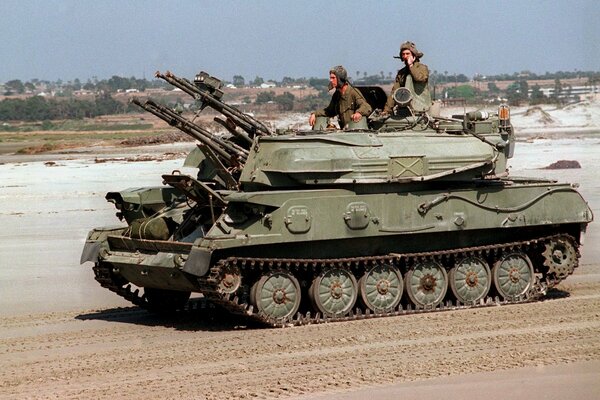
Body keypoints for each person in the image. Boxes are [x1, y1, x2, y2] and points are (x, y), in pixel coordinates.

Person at [382, 41, 429, 114]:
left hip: (421, 106)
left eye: (408, 54)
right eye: (403, 54)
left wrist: (411, 66)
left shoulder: (422, 68)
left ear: (414, 55)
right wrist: (387, 110)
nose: (405, 56)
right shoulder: (401, 73)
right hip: (404, 107)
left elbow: (419, 78)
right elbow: (395, 92)